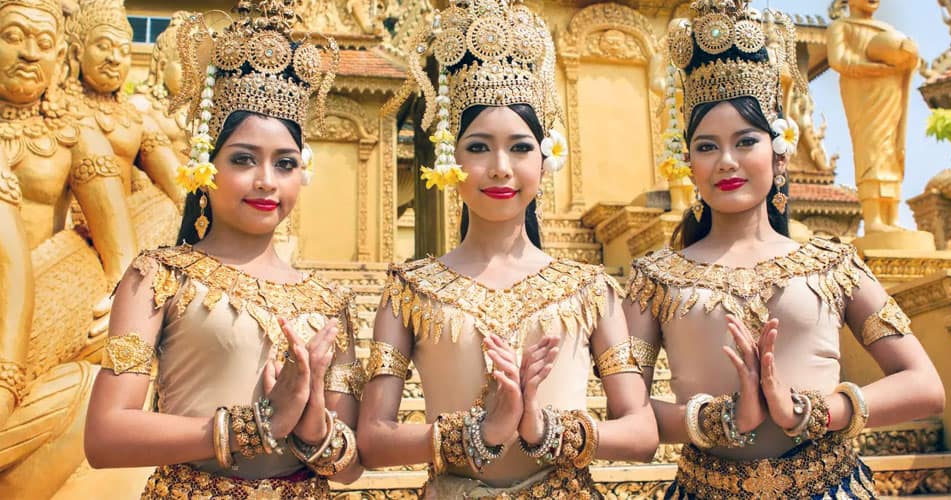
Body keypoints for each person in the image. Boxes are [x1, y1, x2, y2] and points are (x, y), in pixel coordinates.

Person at [626, 1, 945, 498]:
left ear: (779, 153)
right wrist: (722, 418)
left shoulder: (833, 264)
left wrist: (814, 411)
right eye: (707, 146)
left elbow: (924, 385)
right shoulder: (655, 277)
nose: (726, 161)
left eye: (745, 141)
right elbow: (630, 416)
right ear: (688, 162)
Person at [357, 1, 658, 497]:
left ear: (545, 159)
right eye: (478, 147)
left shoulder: (589, 289)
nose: (500, 167)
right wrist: (482, 432)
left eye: (520, 147)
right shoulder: (409, 290)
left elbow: (642, 431)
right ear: (449, 159)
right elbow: (373, 438)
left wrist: (545, 429)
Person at [84, 2, 364, 497]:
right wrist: (255, 426)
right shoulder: (158, 276)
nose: (265, 181)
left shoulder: (329, 302)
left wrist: (315, 426)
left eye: (285, 164)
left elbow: (350, 468)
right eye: (242, 159)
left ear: (303, 173)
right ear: (205, 169)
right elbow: (105, 436)